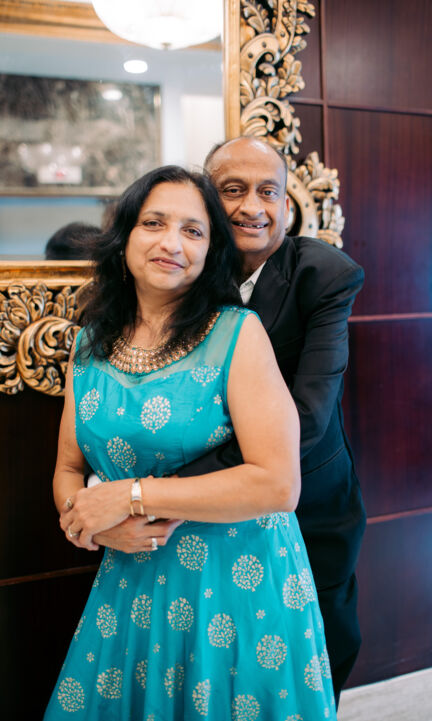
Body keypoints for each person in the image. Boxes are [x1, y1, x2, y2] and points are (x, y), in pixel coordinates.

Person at [43, 165, 337, 720]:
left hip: (237, 585)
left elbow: (278, 485)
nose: (171, 243)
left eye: (193, 230)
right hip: (131, 579)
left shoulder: (237, 334)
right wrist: (92, 526)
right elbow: (67, 469)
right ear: (124, 237)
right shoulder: (89, 343)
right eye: (154, 223)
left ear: (210, 253)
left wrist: (131, 497)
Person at [96, 137, 366, 703]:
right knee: (207, 667)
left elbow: (307, 418)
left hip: (308, 502)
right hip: (194, 528)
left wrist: (152, 493)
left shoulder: (323, 273)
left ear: (286, 206)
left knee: (318, 656)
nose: (252, 207)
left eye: (268, 192)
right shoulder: (183, 268)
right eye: (233, 190)